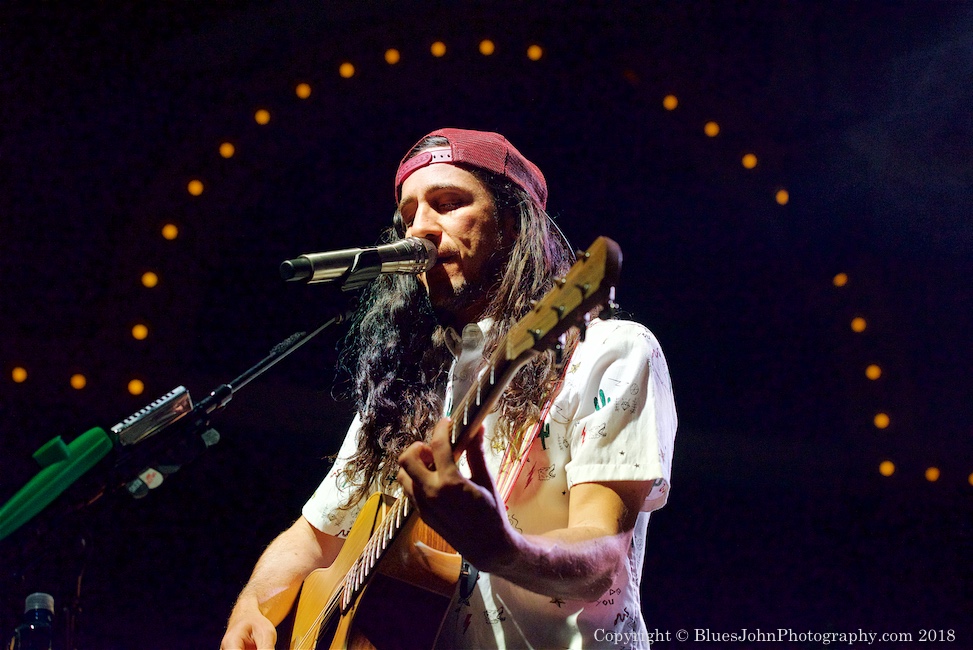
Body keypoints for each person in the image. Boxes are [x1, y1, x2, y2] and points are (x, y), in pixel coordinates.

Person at [220, 128, 677, 649]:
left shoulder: (610, 352)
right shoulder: (406, 381)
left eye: (448, 203)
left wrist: (500, 548)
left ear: (513, 223)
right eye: (408, 212)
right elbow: (315, 536)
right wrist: (252, 608)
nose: (419, 228)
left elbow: (602, 560)